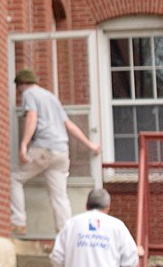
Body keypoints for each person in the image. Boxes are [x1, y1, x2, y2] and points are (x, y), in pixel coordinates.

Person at [11, 66, 100, 235]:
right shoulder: (51, 97)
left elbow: (32, 117)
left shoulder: (29, 94)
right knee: (59, 197)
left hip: (44, 147)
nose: (19, 93)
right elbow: (69, 126)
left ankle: (18, 222)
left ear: (21, 85)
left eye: (18, 89)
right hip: (61, 152)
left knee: (15, 178)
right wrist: (90, 145)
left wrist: (24, 144)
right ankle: (65, 235)